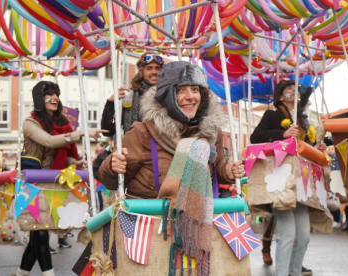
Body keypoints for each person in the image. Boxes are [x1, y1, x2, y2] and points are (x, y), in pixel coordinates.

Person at [98, 60, 244, 197]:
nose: (190, 97)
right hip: (152, 220)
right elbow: (112, 182)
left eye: (195, 89)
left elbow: (216, 169)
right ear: (166, 96)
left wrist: (228, 172)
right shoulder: (142, 132)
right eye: (180, 90)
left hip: (196, 220)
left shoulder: (211, 132)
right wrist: (112, 166)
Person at [16, 81, 106, 276]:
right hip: (32, 184)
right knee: (39, 233)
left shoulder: (59, 124)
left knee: (38, 232)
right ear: (39, 99)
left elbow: (61, 154)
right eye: (49, 94)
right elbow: (48, 141)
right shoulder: (30, 123)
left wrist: (75, 161)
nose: (55, 98)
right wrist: (80, 133)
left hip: (50, 183)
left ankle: (21, 273)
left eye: (56, 93)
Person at [250, 80, 325, 276]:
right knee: (288, 234)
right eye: (289, 90)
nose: (294, 92)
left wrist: (317, 149)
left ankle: (294, 272)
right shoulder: (273, 115)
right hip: (280, 180)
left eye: (296, 90)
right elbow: (255, 137)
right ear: (281, 97)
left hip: (301, 182)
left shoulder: (303, 120)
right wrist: (282, 133)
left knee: (303, 235)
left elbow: (305, 150)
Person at [101, 52, 164, 136]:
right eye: (149, 68)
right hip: (133, 147)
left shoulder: (169, 95)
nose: (154, 72)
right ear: (141, 71)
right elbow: (108, 131)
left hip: (161, 147)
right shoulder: (130, 96)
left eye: (158, 68)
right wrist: (110, 103)